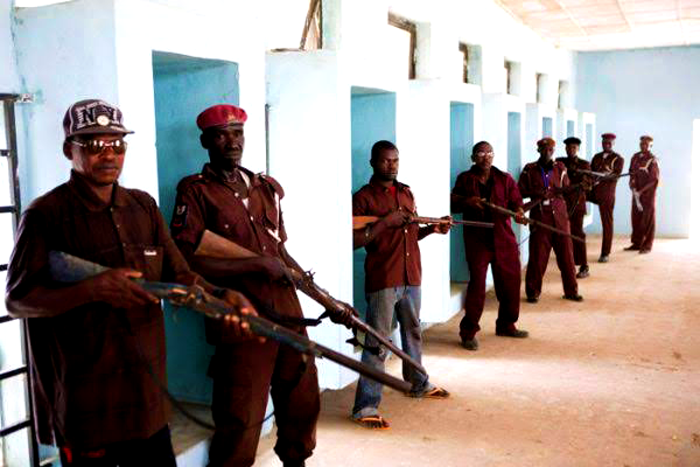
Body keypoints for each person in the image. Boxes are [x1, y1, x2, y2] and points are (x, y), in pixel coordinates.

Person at [5, 99, 252, 467]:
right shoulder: (46, 215)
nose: (109, 155)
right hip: (88, 405)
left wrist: (220, 297)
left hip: (147, 401)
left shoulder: (143, 207)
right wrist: (92, 289)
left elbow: (180, 277)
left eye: (117, 144)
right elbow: (18, 299)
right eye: (93, 145)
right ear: (67, 150)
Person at [170, 104, 319, 467]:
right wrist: (255, 263)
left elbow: (279, 251)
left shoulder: (265, 187)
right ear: (205, 141)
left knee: (302, 398)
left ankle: (296, 460)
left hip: (287, 311)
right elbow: (187, 260)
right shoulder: (195, 191)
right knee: (241, 414)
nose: (232, 142)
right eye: (221, 135)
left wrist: (318, 294)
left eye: (237, 134)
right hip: (241, 318)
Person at [351, 140, 450, 429]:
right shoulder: (363, 198)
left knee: (413, 332)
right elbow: (354, 240)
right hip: (383, 278)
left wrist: (433, 229)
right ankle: (365, 406)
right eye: (385, 161)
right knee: (378, 342)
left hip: (411, 276)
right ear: (372, 162)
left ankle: (419, 382)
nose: (391, 165)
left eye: (395, 160)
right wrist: (385, 222)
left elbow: (409, 235)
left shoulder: (406, 192)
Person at [450, 141, 529, 351]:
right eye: (481, 153)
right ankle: (468, 333)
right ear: (473, 157)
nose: (486, 157)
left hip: (503, 238)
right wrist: (468, 202)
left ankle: (506, 324)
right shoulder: (464, 180)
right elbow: (452, 203)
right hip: (477, 241)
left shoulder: (505, 179)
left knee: (510, 282)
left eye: (490, 153)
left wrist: (519, 213)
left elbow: (516, 204)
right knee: (477, 286)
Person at [518, 138, 583, 303]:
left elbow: (566, 189)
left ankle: (571, 291)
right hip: (540, 218)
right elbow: (521, 192)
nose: (548, 152)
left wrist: (580, 187)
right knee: (538, 257)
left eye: (551, 150)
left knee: (567, 257)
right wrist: (538, 193)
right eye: (544, 149)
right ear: (538, 150)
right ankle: (532, 292)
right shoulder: (529, 170)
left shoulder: (560, 168)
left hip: (561, 219)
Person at [556, 137, 593, 278]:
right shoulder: (560, 162)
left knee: (578, 234)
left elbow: (589, 185)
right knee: (564, 235)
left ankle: (584, 266)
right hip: (562, 205)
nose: (570, 150)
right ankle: (569, 264)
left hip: (577, 204)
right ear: (565, 149)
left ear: (578, 149)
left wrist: (584, 183)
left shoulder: (584, 165)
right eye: (568, 147)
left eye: (573, 148)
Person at [590, 133, 624, 263]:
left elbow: (616, 176)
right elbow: (591, 171)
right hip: (593, 191)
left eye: (609, 143)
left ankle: (605, 253)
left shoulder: (618, 158)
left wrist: (603, 176)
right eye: (604, 143)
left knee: (607, 223)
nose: (606, 145)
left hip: (606, 194)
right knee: (577, 202)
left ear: (613, 143)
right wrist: (592, 177)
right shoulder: (596, 157)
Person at [625, 135, 660, 254]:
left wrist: (641, 191)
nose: (643, 146)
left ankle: (647, 245)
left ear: (651, 146)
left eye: (646, 144)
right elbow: (631, 173)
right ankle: (637, 243)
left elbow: (654, 180)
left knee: (648, 219)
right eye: (641, 143)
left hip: (647, 194)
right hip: (636, 193)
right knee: (636, 217)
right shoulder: (635, 157)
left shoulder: (653, 159)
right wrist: (632, 185)